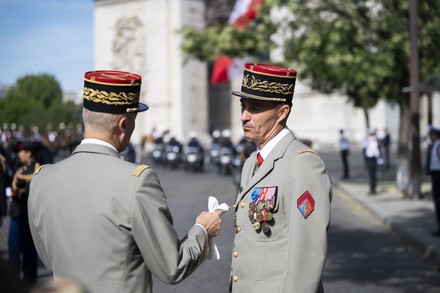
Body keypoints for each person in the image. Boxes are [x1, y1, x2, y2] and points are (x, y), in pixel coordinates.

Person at [28, 70, 223, 293]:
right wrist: (203, 230)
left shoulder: (41, 179)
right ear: (123, 124)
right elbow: (172, 267)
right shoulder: (137, 182)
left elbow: (47, 257)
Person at [229, 63, 332, 292]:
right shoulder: (251, 163)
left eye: (255, 108)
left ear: (282, 112)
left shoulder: (303, 164)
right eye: (243, 106)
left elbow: (308, 254)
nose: (244, 116)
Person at [8, 141, 40, 285]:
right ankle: (12, 281)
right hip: (16, 213)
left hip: (29, 215)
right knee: (13, 249)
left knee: (29, 251)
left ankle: (29, 282)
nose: (19, 154)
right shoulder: (19, 169)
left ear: (29, 153)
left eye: (22, 151)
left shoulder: (38, 168)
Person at [428, 126, 440, 236]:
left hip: (438, 175)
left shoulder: (438, 144)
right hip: (435, 174)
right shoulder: (434, 145)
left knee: (438, 201)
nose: (430, 137)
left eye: (431, 135)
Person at [364, 129, 381, 195]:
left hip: (372, 159)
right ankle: (372, 189)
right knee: (371, 175)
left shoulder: (373, 142)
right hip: (369, 159)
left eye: (367, 134)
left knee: (372, 175)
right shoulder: (369, 141)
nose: (366, 135)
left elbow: (376, 151)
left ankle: (373, 190)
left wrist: (379, 159)